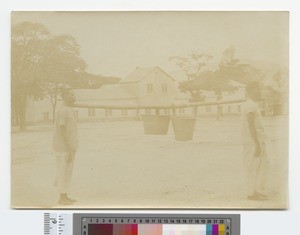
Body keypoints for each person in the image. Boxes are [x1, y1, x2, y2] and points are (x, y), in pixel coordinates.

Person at [241, 81, 269, 201]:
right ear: (250, 91)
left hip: (257, 140)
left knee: (261, 166)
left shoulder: (252, 104)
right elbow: (250, 125)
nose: (259, 92)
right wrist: (256, 144)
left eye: (260, 90)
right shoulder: (250, 105)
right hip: (253, 142)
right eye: (257, 90)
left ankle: (257, 191)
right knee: (253, 167)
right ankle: (251, 193)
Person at [52, 88, 78, 205]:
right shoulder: (63, 111)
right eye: (71, 95)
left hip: (70, 147)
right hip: (63, 148)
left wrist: (72, 148)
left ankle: (65, 195)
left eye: (74, 95)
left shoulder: (69, 109)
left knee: (68, 171)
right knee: (62, 171)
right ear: (65, 96)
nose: (74, 97)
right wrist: (68, 148)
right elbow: (62, 130)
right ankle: (61, 198)